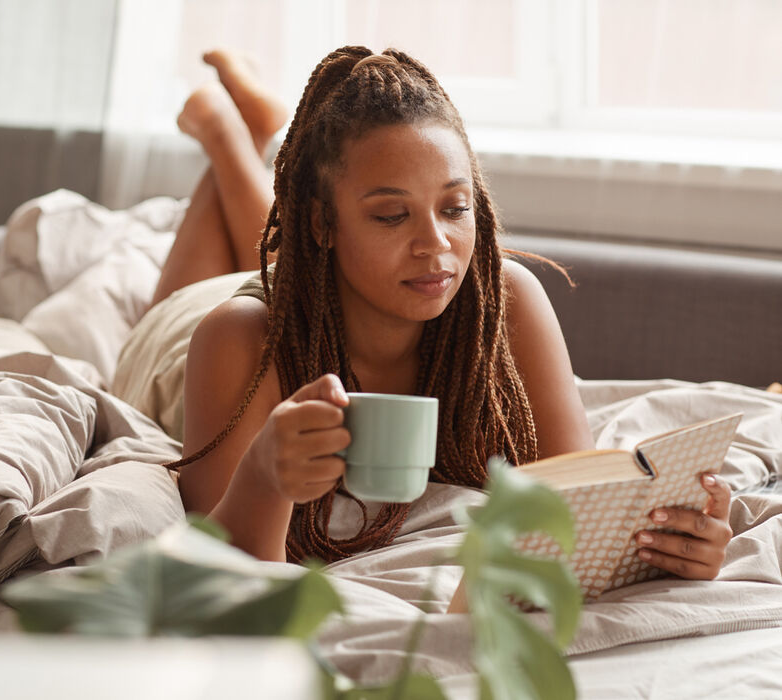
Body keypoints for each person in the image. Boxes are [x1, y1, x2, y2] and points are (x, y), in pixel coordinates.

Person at [153, 46, 733, 578]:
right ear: (320, 224)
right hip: (182, 331)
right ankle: (228, 131)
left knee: (307, 247)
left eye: (454, 208)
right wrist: (263, 477)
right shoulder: (237, 340)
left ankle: (244, 127)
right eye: (390, 216)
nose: (435, 245)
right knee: (211, 281)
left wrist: (679, 541)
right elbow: (219, 571)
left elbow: (577, 503)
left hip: (322, 271)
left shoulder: (506, 301)